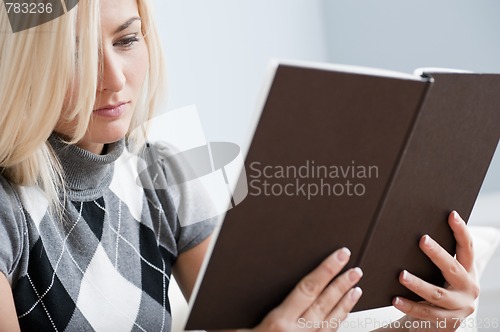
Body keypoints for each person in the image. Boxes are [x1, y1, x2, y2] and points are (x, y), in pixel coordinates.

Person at [0, 0, 479, 331]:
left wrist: (421, 322)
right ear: (25, 63)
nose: (114, 78)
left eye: (126, 40)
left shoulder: (167, 166)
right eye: (75, 52)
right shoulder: (9, 209)